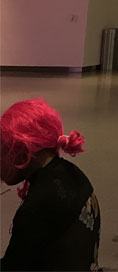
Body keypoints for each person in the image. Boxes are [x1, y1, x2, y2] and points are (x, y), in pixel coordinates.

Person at [0, 99, 100, 271]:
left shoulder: (38, 204)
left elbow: (13, 267)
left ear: (24, 151)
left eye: (4, 149)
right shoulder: (73, 173)